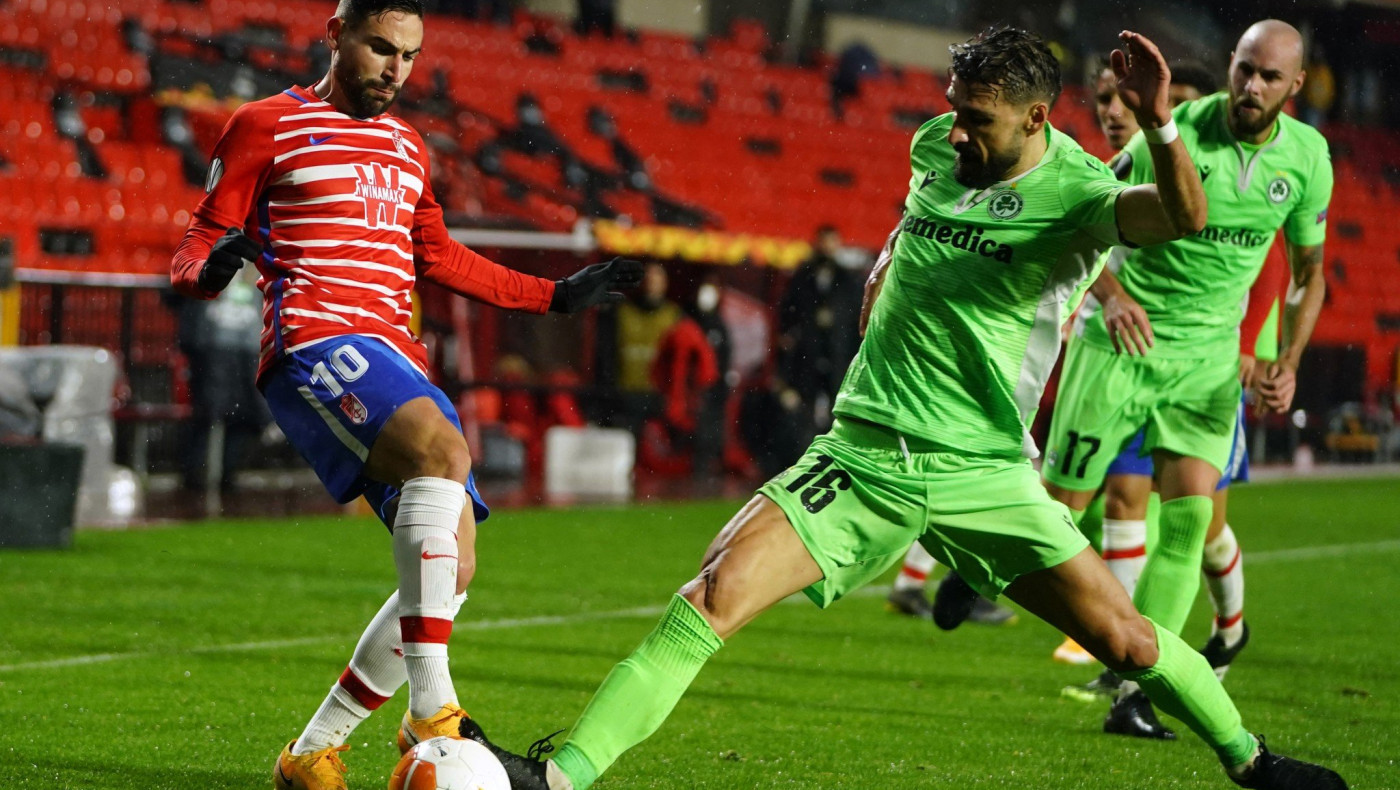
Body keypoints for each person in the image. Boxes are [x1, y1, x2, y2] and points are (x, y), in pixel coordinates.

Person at [464, 28, 1345, 790]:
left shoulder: (1080, 194)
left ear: (1037, 120)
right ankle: (557, 774)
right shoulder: (936, 146)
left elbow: (1184, 217)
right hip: (865, 455)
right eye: (954, 108)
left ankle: (1251, 762)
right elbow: (914, 224)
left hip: (985, 471)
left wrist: (1158, 122)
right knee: (712, 593)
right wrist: (886, 268)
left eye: (979, 119)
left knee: (1131, 643)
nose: (955, 129)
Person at [167, 2, 641, 788]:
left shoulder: (409, 146)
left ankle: (312, 751)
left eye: (410, 56)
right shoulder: (264, 124)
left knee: (451, 571)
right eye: (380, 48)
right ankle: (432, 706)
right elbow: (193, 243)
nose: (395, 69)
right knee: (443, 451)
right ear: (335, 35)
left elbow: (441, 258)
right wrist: (208, 270)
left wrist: (553, 298)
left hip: (396, 355)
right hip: (315, 343)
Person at [1035, 20, 1331, 739]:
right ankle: (953, 572)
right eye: (1245, 70)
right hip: (1123, 349)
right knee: (1053, 513)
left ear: (1296, 87)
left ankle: (1137, 691)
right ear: (1232, 65)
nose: (1252, 87)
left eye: (1269, 78)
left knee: (1190, 521)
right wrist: (1113, 294)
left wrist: (1286, 361)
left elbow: (1307, 276)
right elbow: (1080, 219)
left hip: (1206, 361)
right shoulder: (1175, 138)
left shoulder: (1309, 159)